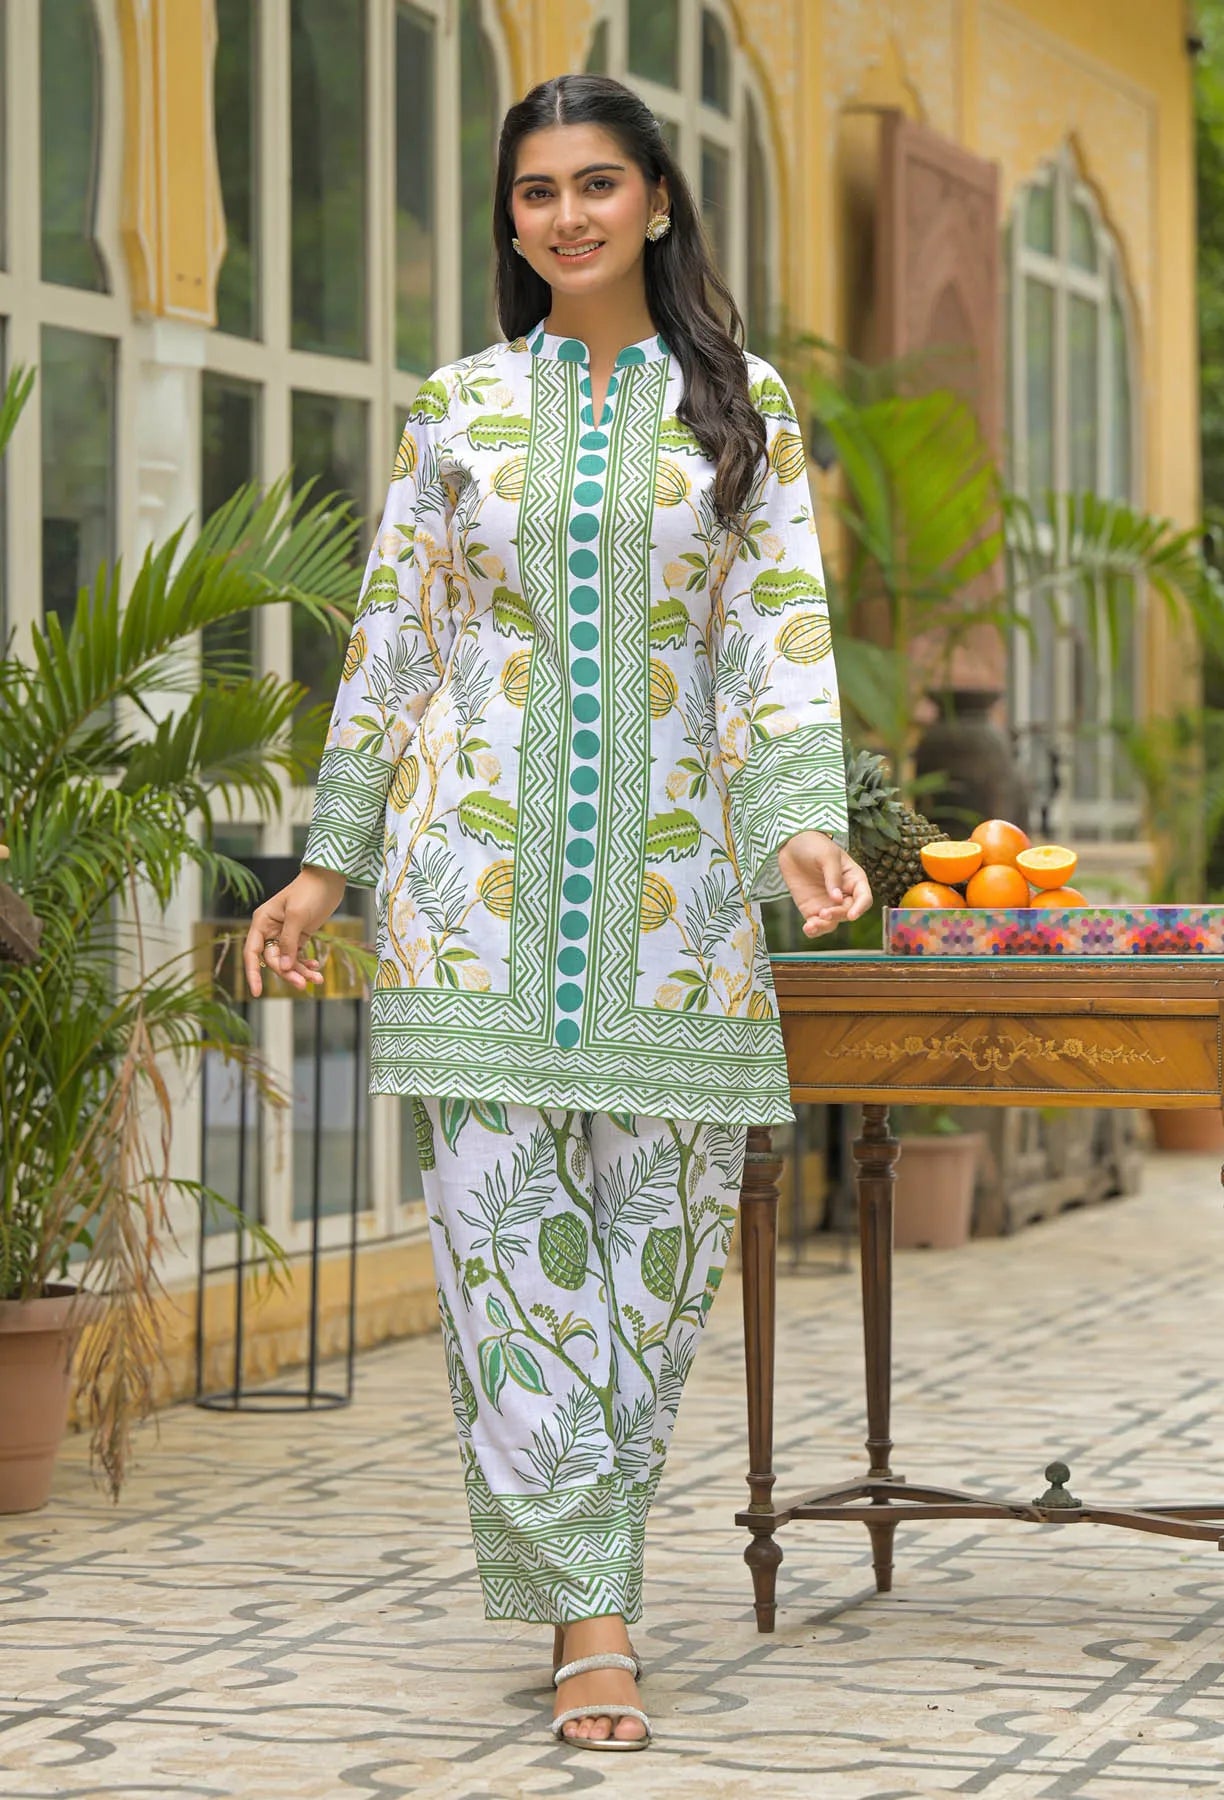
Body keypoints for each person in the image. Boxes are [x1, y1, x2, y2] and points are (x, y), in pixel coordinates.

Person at [244, 72, 871, 1752]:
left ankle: (589, 1562)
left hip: (683, 900)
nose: (568, 215)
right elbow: (395, 641)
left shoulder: (743, 407)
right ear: (511, 220)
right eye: (537, 191)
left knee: (656, 1263)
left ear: (657, 201)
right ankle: (596, 1619)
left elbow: (777, 629)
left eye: (598, 184)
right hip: (467, 894)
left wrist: (802, 829)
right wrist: (329, 862)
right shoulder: (458, 406)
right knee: (507, 1256)